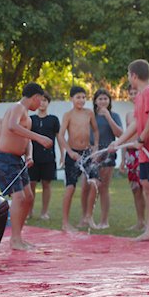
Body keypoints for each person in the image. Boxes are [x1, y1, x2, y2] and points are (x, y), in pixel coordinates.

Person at [0, 83, 52, 250]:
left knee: (29, 197)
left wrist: (29, 155)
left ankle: (18, 236)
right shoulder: (18, 107)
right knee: (18, 197)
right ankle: (15, 239)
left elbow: (27, 140)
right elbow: (12, 126)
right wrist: (40, 137)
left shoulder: (28, 117)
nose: (40, 104)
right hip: (5, 158)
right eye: (40, 100)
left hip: (18, 160)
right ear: (36, 97)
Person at [110, 60, 149, 241]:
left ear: (134, 76)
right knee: (147, 187)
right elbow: (136, 123)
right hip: (145, 153)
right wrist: (118, 142)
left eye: (128, 75)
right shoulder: (140, 97)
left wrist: (141, 139)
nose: (128, 78)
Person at [57, 86, 99, 232]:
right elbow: (61, 135)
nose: (81, 100)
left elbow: (95, 130)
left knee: (94, 183)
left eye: (83, 97)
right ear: (71, 99)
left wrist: (96, 147)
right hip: (73, 153)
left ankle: (88, 216)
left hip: (87, 153)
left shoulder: (89, 113)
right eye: (78, 97)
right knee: (70, 187)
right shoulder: (68, 115)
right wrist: (69, 152)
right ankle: (65, 222)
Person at [81, 88, 123, 229]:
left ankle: (104, 221)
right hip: (90, 154)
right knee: (86, 186)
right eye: (100, 99)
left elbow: (120, 134)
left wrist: (108, 117)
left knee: (103, 188)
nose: (103, 101)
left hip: (107, 154)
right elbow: (84, 134)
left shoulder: (114, 115)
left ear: (109, 101)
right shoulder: (90, 115)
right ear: (95, 101)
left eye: (106, 98)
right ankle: (85, 218)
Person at [28, 91, 60, 220]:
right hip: (33, 157)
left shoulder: (53, 119)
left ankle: (44, 212)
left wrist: (63, 154)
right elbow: (26, 138)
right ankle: (29, 211)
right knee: (31, 184)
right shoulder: (31, 119)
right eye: (40, 100)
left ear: (48, 103)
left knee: (46, 184)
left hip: (48, 158)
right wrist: (27, 155)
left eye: (45, 100)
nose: (42, 103)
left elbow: (59, 138)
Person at [119, 84, 146, 231]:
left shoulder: (147, 111)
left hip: (143, 152)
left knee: (147, 188)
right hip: (130, 154)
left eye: (136, 92)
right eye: (131, 93)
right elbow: (126, 136)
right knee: (135, 189)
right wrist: (123, 160)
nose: (134, 96)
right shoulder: (129, 114)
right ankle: (140, 221)